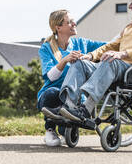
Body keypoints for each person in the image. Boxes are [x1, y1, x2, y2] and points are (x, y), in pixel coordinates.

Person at [43, 0, 132, 122]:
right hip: (116, 66)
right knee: (80, 62)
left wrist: (123, 53)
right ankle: (68, 107)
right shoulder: (131, 26)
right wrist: (91, 56)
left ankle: (86, 109)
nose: (130, 6)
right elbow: (111, 46)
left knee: (111, 59)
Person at [38, 9, 105, 146]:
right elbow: (50, 77)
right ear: (58, 28)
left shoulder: (82, 43)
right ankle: (50, 130)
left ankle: (65, 131)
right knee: (52, 93)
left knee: (70, 114)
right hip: (53, 94)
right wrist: (64, 60)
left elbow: (108, 45)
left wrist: (125, 35)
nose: (74, 23)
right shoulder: (46, 48)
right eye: (69, 22)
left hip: (76, 96)